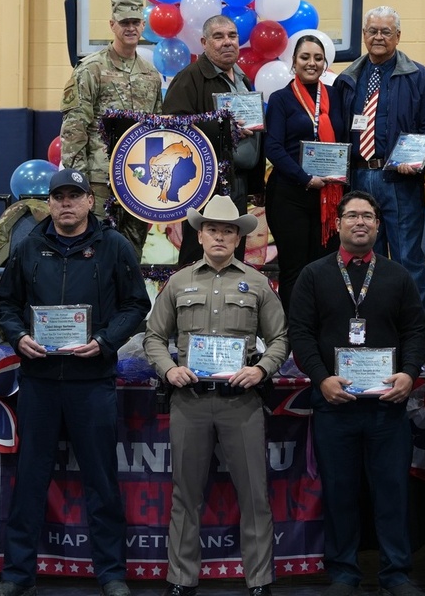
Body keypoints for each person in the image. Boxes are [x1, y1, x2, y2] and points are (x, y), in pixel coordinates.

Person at [0, 168, 149, 596]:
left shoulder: (114, 246)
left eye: (74, 196)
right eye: (59, 196)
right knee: (30, 479)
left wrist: (105, 341)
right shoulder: (27, 247)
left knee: (102, 481)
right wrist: (19, 337)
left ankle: (112, 574)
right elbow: (4, 305)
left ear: (89, 202)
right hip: (39, 381)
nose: (66, 204)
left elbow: (136, 305)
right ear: (50, 202)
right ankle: (17, 576)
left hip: (92, 381)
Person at [143, 195, 288, 596]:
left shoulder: (258, 283)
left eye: (228, 231)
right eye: (212, 229)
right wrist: (169, 368)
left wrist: (261, 369)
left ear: (239, 238)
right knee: (184, 495)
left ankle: (259, 581)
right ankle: (180, 580)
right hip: (189, 400)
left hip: (242, 403)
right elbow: (154, 336)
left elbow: (280, 339)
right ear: (201, 235)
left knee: (255, 494)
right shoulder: (179, 282)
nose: (220, 236)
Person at [287, 191, 425, 596]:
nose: (360, 222)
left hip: (388, 405)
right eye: (352, 216)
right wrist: (321, 379)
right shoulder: (313, 276)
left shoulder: (398, 275)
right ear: (338, 224)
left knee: (392, 492)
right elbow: (301, 334)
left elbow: (416, 331)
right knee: (340, 492)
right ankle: (344, 572)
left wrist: (410, 374)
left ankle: (396, 571)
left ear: (379, 226)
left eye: (368, 216)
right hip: (335, 403)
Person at [332, 5, 425, 303]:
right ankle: (373, 328)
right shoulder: (348, 78)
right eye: (372, 31)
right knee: (365, 257)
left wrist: (417, 162)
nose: (378, 37)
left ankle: (414, 336)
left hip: (400, 180)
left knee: (407, 259)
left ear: (398, 36)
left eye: (386, 32)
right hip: (358, 177)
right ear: (364, 35)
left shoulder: (418, 76)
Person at [60, 0, 164, 258]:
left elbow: (155, 130)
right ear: (112, 25)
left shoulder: (151, 75)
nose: (130, 28)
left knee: (131, 251)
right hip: (99, 179)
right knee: (93, 249)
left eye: (135, 22)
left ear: (143, 25)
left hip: (137, 180)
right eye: (124, 23)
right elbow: (74, 128)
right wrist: (78, 181)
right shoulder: (90, 69)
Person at [163, 14, 266, 265]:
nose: (227, 42)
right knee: (198, 254)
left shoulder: (243, 79)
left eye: (232, 36)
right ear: (204, 42)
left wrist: (256, 184)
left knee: (233, 253)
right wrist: (222, 128)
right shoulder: (190, 78)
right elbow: (173, 127)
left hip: (238, 181)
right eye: (218, 37)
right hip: (205, 183)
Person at [264, 34, 345, 310]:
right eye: (305, 57)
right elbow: (273, 147)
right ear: (293, 62)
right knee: (294, 268)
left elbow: (345, 140)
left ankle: (319, 328)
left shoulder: (335, 96)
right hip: (291, 194)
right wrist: (305, 178)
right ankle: (293, 333)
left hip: (330, 196)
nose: (312, 63)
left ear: (325, 63)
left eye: (318, 58)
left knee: (325, 267)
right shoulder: (281, 99)